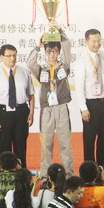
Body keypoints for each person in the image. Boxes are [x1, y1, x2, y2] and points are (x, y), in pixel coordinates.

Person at [27, 22, 74, 176]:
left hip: (61, 108)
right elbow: (30, 63)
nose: (52, 54)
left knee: (65, 144)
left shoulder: (64, 66)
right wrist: (38, 45)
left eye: (55, 51)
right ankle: (45, 175)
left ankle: (68, 174)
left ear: (58, 52)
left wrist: (59, 30)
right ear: (46, 53)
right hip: (46, 109)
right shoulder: (41, 69)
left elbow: (67, 45)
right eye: (49, 51)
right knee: (46, 144)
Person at [74, 28, 104, 166]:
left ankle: (102, 169)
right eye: (93, 41)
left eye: (99, 41)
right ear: (86, 41)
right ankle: (90, 170)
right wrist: (83, 108)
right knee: (89, 140)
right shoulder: (81, 60)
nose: (96, 44)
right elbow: (79, 86)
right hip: (90, 104)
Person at [0, 44, 35, 171]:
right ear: (1, 57)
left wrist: (31, 113)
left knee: (21, 147)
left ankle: (21, 177)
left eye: (14, 55)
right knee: (3, 148)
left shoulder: (24, 72)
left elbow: (31, 95)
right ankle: (2, 177)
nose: (12, 58)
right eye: (8, 56)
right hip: (3, 113)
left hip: (21, 112)